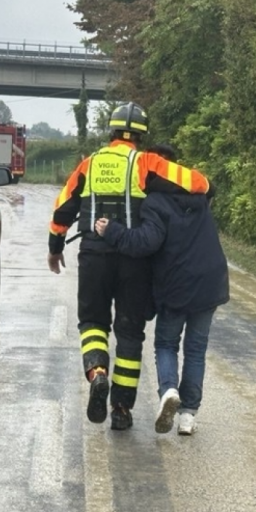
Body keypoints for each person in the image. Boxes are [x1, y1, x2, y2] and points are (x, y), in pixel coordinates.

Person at [47, 102, 210, 431]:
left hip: (94, 254)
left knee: (92, 323)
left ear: (111, 131)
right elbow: (199, 183)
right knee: (130, 332)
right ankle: (121, 408)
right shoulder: (146, 162)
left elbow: (63, 207)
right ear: (141, 135)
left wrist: (55, 247)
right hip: (135, 260)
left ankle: (97, 373)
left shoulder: (88, 164)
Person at [94, 145, 229, 435]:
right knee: (196, 348)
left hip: (177, 285)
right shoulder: (198, 192)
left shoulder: (155, 201)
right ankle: (188, 417)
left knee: (167, 344)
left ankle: (169, 391)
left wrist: (112, 231)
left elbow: (145, 242)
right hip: (210, 281)